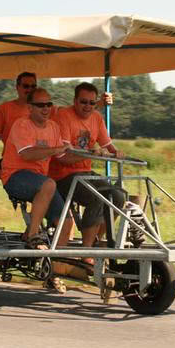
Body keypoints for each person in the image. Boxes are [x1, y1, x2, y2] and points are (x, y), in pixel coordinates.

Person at [49, 82, 126, 258]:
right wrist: (90, 154)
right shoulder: (64, 117)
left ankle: (96, 241)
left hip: (84, 174)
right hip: (62, 176)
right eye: (84, 102)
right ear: (75, 101)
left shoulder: (97, 118)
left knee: (118, 195)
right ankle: (86, 252)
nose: (88, 106)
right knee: (98, 197)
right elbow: (65, 156)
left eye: (92, 103)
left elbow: (107, 144)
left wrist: (116, 152)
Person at [0, 88, 73, 250]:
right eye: (40, 105)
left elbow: (63, 156)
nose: (46, 109)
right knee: (49, 184)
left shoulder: (53, 127)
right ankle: (32, 236)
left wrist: (89, 154)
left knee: (67, 223)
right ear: (30, 107)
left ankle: (56, 265)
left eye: (49, 104)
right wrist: (56, 149)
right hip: (15, 177)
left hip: (41, 182)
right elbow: (27, 154)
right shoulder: (21, 125)